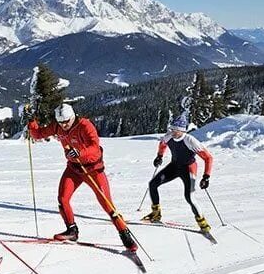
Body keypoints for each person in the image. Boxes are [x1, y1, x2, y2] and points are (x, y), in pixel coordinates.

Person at [27, 103, 138, 252]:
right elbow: (38, 134)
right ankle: (72, 231)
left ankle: (124, 233)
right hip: (74, 169)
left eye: (67, 121)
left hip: (93, 170)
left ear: (73, 117)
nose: (64, 125)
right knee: (63, 198)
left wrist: (79, 152)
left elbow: (95, 147)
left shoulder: (85, 125)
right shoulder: (57, 126)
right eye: (61, 122)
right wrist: (31, 121)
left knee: (107, 204)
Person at [143, 114, 213, 233]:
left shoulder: (190, 140)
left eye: (176, 130)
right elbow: (162, 144)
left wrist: (206, 176)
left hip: (188, 169)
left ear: (182, 130)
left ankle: (202, 223)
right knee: (153, 184)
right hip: (174, 166)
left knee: (189, 197)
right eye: (172, 129)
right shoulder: (169, 136)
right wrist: (159, 156)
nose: (173, 132)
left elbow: (208, 158)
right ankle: (156, 213)